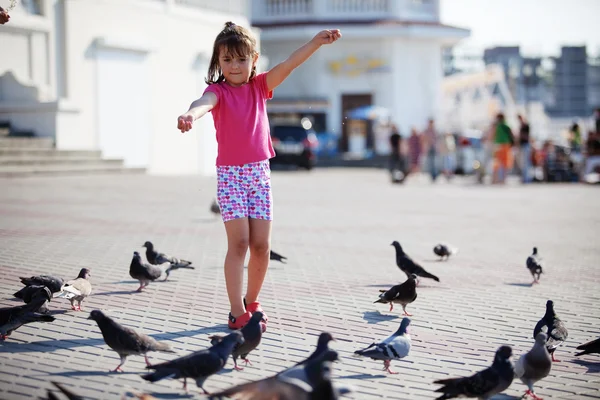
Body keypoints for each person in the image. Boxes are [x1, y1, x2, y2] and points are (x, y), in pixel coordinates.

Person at [177, 22, 341, 331]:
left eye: (241, 59)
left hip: (259, 175)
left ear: (254, 59)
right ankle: (236, 310)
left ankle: (252, 301)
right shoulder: (217, 91)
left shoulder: (259, 87)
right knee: (238, 244)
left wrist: (316, 42)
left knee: (261, 246)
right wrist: (190, 115)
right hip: (231, 177)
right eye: (227, 60)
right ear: (218, 62)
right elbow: (203, 104)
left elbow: (289, 64)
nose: (235, 66)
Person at [491, 113, 514, 184]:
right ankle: (502, 180)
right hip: (505, 145)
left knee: (497, 163)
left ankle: (495, 179)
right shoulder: (506, 125)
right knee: (504, 163)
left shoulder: (497, 125)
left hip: (499, 145)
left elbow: (492, 135)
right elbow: (512, 135)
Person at [517, 114, 532, 183]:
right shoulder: (521, 126)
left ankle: (526, 178)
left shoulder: (526, 126)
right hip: (522, 145)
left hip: (526, 145)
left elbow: (527, 136)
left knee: (526, 163)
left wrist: (520, 135)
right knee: (522, 163)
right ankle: (524, 178)